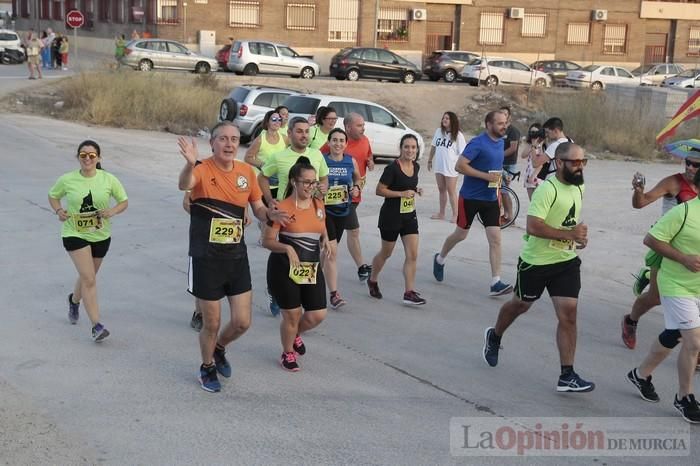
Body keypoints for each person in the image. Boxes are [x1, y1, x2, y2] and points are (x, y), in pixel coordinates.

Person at [177, 121, 290, 393]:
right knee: (212, 321)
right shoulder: (202, 169)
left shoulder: (246, 172)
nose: (229, 144)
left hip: (236, 257)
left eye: (234, 139)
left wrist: (269, 215)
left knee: (242, 322)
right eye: (223, 139)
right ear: (212, 143)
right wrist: (190, 163)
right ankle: (206, 368)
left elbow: (258, 207)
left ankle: (219, 348)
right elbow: (184, 185)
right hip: (206, 257)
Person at [482, 143, 594, 393]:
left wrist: (578, 237)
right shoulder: (547, 190)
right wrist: (569, 233)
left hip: (565, 261)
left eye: (583, 162)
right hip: (536, 262)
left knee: (569, 315)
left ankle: (567, 375)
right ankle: (495, 335)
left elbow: (571, 221)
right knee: (519, 305)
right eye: (574, 162)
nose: (580, 166)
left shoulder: (580, 186)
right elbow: (533, 226)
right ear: (559, 163)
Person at [626, 170, 700, 423]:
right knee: (694, 342)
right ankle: (684, 396)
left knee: (675, 334)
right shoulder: (684, 212)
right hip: (677, 285)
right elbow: (651, 239)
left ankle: (641, 373)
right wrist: (683, 258)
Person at [48, 140, 129, 342]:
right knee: (90, 279)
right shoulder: (67, 179)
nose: (87, 159)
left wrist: (112, 211)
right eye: (83, 155)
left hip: (101, 235)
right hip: (74, 233)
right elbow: (53, 195)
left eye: (92, 155)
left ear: (98, 158)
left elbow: (124, 201)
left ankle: (74, 300)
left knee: (87, 277)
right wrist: (59, 210)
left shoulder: (109, 179)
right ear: (78, 157)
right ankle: (97, 326)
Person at [621, 156, 700, 350]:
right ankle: (631, 321)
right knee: (655, 297)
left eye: (696, 164)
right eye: (687, 162)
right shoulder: (673, 182)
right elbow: (641, 203)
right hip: (666, 247)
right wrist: (638, 191)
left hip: (694, 249)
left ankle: (694, 351)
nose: (690, 167)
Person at [432, 111, 513, 296]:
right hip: (470, 197)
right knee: (461, 235)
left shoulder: (501, 142)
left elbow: (494, 165)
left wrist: (502, 176)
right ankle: (440, 258)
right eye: (500, 123)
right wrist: (485, 176)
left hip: (491, 198)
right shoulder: (477, 143)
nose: (504, 126)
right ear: (488, 124)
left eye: (505, 123)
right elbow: (459, 166)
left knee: (495, 239)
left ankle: (495, 282)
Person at [263, 156, 331, 371]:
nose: (311, 187)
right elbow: (267, 241)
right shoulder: (282, 208)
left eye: (314, 182)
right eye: (307, 182)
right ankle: (287, 352)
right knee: (292, 314)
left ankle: (295, 335)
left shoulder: (318, 205)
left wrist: (326, 239)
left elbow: (320, 225)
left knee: (317, 314)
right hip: (284, 268)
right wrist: (288, 248)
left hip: (310, 267)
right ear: (294, 182)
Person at [367, 134, 425, 305]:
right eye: (406, 147)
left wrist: (416, 189)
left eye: (413, 147)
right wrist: (401, 194)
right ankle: (372, 279)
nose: (410, 150)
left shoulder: (416, 166)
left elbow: (409, 185)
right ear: (401, 148)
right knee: (386, 253)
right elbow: (380, 190)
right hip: (390, 217)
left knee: (413, 254)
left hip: (409, 215)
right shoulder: (392, 168)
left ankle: (409, 292)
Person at [320, 112, 374, 282]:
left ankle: (317, 272)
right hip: (330, 202)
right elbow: (317, 164)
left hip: (352, 197)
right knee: (351, 232)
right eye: (359, 125)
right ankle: (360, 267)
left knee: (340, 237)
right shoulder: (332, 146)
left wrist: (369, 163)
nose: (363, 128)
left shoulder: (364, 140)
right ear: (348, 127)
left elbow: (368, 157)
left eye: (363, 125)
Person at [323, 128, 361, 309]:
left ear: (346, 144)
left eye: (341, 141)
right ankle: (334, 294)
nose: (338, 144)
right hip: (324, 212)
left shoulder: (350, 161)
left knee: (328, 251)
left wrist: (357, 189)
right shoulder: (321, 160)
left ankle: (313, 273)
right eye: (335, 140)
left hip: (343, 211)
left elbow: (358, 179)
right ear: (329, 142)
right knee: (332, 252)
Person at [259, 116, 329, 206]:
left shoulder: (317, 154)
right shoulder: (278, 157)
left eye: (307, 131)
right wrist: (269, 200)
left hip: (311, 209)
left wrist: (320, 197)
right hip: (285, 210)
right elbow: (262, 177)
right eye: (299, 131)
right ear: (289, 133)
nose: (304, 135)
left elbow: (324, 178)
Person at [427, 111, 466, 223]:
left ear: (452, 121)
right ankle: (441, 213)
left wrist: (461, 166)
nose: (444, 120)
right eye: (443, 118)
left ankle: (455, 215)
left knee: (451, 191)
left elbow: (463, 153)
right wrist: (429, 160)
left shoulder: (458, 135)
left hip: (451, 167)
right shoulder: (438, 131)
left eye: (447, 118)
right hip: (439, 166)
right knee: (441, 189)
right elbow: (433, 146)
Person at [500, 106, 520, 222]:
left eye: (505, 114)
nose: (503, 115)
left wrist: (498, 156)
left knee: (504, 191)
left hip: (508, 165)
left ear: (509, 117)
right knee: (497, 190)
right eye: (501, 113)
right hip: (498, 164)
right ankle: (504, 214)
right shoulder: (499, 130)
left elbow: (513, 148)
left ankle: (510, 217)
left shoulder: (513, 131)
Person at [534, 117, 571, 181]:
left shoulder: (555, 146)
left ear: (556, 130)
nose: (546, 135)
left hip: (553, 181)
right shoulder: (570, 141)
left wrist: (533, 146)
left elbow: (535, 163)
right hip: (566, 179)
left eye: (547, 132)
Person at [522, 123, 545, 200]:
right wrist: (532, 145)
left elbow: (541, 162)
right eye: (532, 132)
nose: (533, 134)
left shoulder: (542, 144)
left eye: (535, 132)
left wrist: (533, 176)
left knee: (539, 202)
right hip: (529, 174)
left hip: (539, 176)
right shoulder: (529, 144)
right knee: (532, 202)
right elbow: (523, 155)